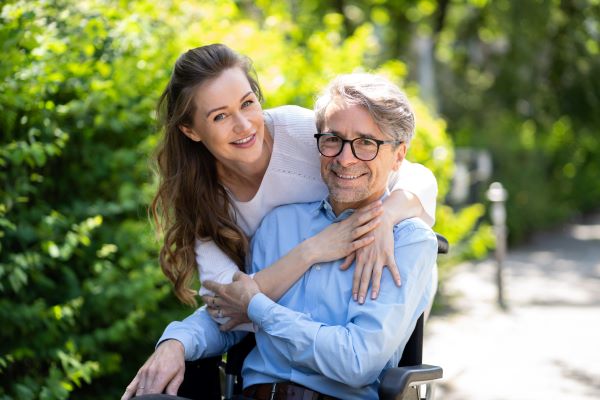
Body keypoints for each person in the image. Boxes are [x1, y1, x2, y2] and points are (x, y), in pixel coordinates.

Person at [122, 44, 437, 399]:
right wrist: (177, 341)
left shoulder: (408, 240)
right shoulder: (276, 226)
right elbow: (229, 309)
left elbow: (356, 362)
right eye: (332, 141)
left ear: (397, 156)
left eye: (365, 143)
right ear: (319, 143)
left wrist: (385, 217)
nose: (346, 159)